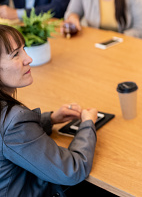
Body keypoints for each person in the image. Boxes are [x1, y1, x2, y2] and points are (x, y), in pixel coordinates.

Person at [0, 24, 98, 196]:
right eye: (16, 54)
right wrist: (88, 124)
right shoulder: (14, 120)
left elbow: (11, 140)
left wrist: (49, 119)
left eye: (24, 49)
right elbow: (72, 170)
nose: (28, 58)